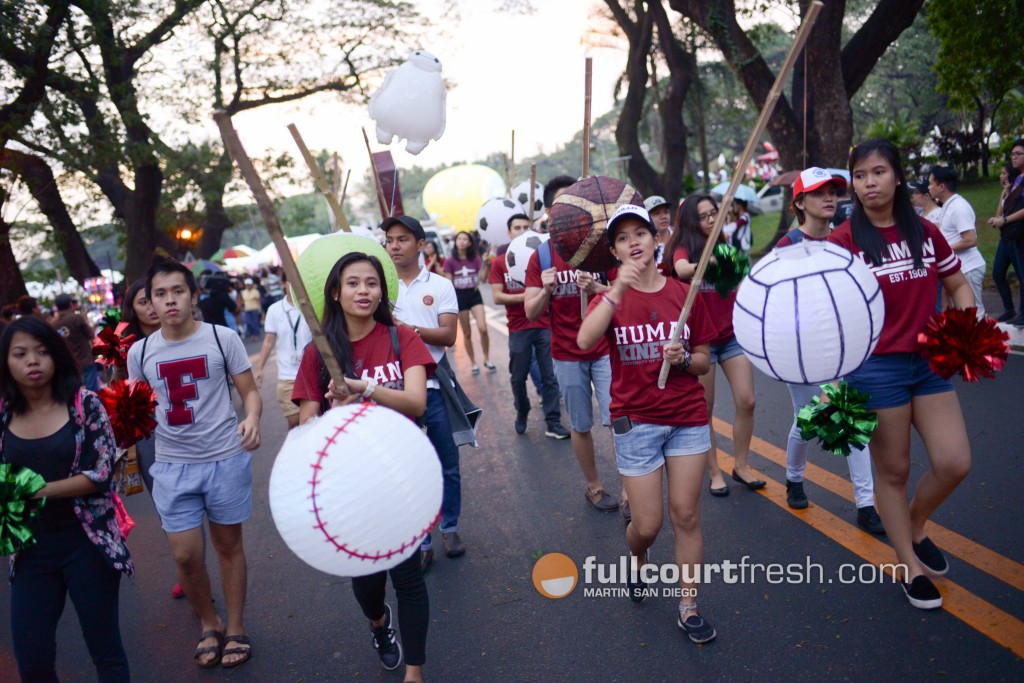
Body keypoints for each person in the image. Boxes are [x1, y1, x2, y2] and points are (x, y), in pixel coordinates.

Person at [828, 138, 974, 610]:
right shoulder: (843, 241)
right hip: (875, 369)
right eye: (861, 175)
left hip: (928, 362)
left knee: (954, 462)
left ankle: (913, 523)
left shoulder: (925, 231)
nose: (869, 183)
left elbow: (957, 284)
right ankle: (909, 564)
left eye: (878, 172)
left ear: (897, 176)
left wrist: (964, 329)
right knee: (893, 470)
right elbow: (821, 313)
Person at [577, 204, 718, 644]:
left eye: (641, 232)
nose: (634, 241)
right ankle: (637, 559)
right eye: (622, 238)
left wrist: (683, 360)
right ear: (614, 251)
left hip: (686, 418)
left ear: (657, 239)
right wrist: (616, 290)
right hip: (634, 422)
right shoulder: (610, 298)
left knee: (686, 514)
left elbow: (704, 361)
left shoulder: (684, 293)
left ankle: (689, 606)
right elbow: (584, 340)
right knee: (648, 525)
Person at [293, 252, 434, 683]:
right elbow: (306, 425)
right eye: (353, 283)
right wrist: (333, 410)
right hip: (350, 487)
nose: (363, 291)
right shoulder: (318, 354)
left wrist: (367, 389)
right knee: (370, 582)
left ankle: (415, 672)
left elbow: (416, 403)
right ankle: (377, 622)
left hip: (401, 477)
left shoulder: (402, 338)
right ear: (335, 292)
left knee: (408, 577)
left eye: (371, 283)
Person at [127, 256, 262, 667]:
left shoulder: (222, 338)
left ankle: (235, 627)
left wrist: (252, 418)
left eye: (178, 292)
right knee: (185, 555)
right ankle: (209, 621)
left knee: (227, 545)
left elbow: (249, 392)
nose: (169, 302)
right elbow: (137, 409)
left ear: (193, 295)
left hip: (224, 458)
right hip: (171, 467)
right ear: (149, 301)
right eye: (160, 294)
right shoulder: (140, 352)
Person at [1, 316, 133, 681]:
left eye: (42, 352)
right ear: (7, 362)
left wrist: (36, 490)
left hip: (87, 543)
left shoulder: (84, 404)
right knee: (33, 660)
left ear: (56, 356)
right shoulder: (3, 413)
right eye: (21, 353)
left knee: (106, 652)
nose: (32, 361)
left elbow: (101, 474)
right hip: (30, 551)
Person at [774, 168, 884, 534]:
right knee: (809, 420)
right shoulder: (786, 246)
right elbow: (774, 305)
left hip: (843, 347)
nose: (830, 198)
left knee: (850, 419)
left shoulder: (845, 240)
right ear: (800, 202)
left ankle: (866, 505)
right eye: (820, 192)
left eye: (835, 191)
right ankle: (794, 478)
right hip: (800, 352)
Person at [525, 175, 628, 518]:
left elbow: (626, 298)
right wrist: (545, 290)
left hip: (605, 351)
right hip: (567, 354)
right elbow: (531, 311)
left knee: (619, 418)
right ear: (551, 213)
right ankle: (595, 486)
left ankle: (631, 486)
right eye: (560, 207)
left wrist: (598, 287)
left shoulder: (603, 247)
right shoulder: (540, 256)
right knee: (581, 424)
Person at [665, 193, 764, 496]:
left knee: (747, 400)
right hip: (701, 341)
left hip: (732, 336)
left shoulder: (726, 246)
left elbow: (738, 282)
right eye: (705, 216)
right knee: (704, 409)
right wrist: (709, 261)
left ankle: (742, 465)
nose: (711, 220)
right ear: (693, 220)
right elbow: (681, 269)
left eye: (714, 214)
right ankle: (714, 472)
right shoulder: (683, 248)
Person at [385, 215, 466, 570]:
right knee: (409, 468)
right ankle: (421, 538)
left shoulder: (442, 285)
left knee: (446, 462)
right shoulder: (380, 289)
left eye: (402, 239)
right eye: (389, 240)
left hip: (433, 386)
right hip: (394, 391)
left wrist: (406, 329)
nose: (394, 246)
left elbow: (448, 336)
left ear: (420, 244)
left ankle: (450, 525)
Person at [120, 278, 190, 600]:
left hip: (190, 426)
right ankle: (187, 568)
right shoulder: (125, 349)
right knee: (167, 499)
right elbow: (122, 396)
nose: (152, 306)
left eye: (155, 298)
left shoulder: (188, 332)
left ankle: (194, 567)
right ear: (132, 310)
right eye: (143, 302)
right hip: (150, 433)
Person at [488, 213, 569, 439]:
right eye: (517, 227)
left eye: (526, 226)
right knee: (518, 376)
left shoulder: (545, 258)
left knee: (549, 375)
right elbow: (497, 296)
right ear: (509, 233)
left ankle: (553, 421)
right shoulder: (499, 262)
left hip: (544, 323)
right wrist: (529, 296)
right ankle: (522, 410)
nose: (522, 231)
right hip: (519, 327)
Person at [254, 268, 313, 430]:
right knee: (295, 423)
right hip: (288, 377)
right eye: (290, 281)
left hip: (312, 374)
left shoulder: (311, 307)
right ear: (283, 284)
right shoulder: (274, 310)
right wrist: (259, 368)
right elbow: (268, 341)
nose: (294, 285)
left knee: (312, 422)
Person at [929, 166, 986, 318]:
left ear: (941, 186)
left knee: (974, 314)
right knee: (962, 315)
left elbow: (970, 240)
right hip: (959, 268)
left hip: (969, 267)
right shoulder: (948, 205)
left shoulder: (958, 206)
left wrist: (943, 252)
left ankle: (984, 341)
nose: (929, 188)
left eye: (931, 184)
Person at [444, 231, 494, 374]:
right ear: (456, 241)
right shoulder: (450, 261)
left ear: (470, 242)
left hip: (474, 294)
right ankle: (473, 362)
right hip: (459, 297)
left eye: (465, 239)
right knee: (466, 333)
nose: (462, 241)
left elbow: (483, 279)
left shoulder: (475, 258)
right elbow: (448, 283)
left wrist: (485, 265)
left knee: (483, 328)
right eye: (459, 238)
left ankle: (487, 358)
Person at [987, 140, 1024, 325]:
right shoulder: (1015, 183)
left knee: (1022, 275)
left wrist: (1006, 220)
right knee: (998, 273)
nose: (1014, 156)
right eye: (1012, 154)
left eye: (1018, 153)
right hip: (1008, 236)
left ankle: (1021, 314)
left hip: (1018, 234)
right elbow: (1002, 212)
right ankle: (1011, 310)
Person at [52, 293, 99, 392]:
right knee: (92, 392)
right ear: (70, 304)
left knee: (76, 393)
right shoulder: (76, 318)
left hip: (69, 364)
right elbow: (91, 336)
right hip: (85, 360)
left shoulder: (53, 324)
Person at [643, 195, 672, 267]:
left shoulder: (679, 237)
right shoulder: (642, 245)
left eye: (666, 212)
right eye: (656, 213)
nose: (663, 217)